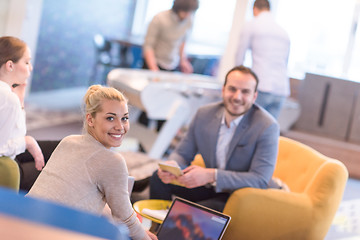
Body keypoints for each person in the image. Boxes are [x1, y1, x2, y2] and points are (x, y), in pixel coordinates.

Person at [27, 85, 157, 240]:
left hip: (20, 221)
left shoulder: (69, 141)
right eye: (110, 118)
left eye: (125, 118)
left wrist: (139, 231)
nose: (120, 126)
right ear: (90, 119)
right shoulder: (112, 161)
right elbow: (124, 219)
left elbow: (87, 200)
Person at [150, 65, 280, 212]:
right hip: (210, 187)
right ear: (223, 90)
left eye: (245, 92)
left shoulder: (267, 126)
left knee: (196, 212)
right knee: (157, 179)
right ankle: (157, 230)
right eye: (232, 89)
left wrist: (212, 175)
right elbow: (182, 153)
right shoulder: (204, 114)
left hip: (239, 195)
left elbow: (260, 179)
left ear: (254, 96)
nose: (237, 97)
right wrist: (173, 167)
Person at [0, 36, 53, 191]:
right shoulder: (8, 98)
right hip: (6, 163)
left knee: (61, 149)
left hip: (11, 157)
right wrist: (28, 142)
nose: (30, 68)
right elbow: (2, 147)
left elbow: (14, 133)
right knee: (61, 161)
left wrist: (20, 99)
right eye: (27, 62)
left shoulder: (9, 95)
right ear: (10, 65)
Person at [235, 0, 290, 119]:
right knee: (268, 131)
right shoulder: (283, 32)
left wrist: (235, 83)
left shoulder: (252, 25)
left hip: (262, 86)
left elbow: (240, 55)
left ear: (254, 9)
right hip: (281, 88)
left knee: (248, 125)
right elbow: (285, 62)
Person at [142, 0, 199, 73]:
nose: (188, 15)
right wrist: (154, 70)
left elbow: (182, 42)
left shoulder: (189, 20)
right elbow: (148, 46)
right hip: (154, 64)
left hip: (172, 66)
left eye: (190, 12)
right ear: (178, 8)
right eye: (186, 12)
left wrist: (183, 61)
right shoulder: (159, 18)